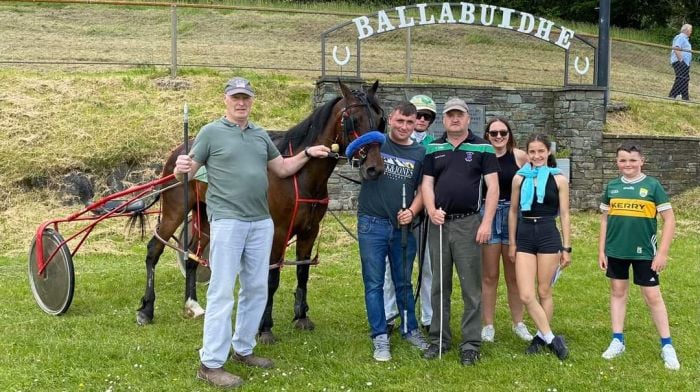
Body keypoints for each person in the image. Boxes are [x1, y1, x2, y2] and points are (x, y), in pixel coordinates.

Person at [174, 76, 330, 388]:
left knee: (256, 288)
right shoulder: (210, 132)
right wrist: (181, 167)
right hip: (228, 221)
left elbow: (283, 168)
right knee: (221, 292)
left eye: (246, 97)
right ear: (226, 100)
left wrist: (308, 153)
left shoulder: (260, 135)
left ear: (252, 100)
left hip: (261, 222)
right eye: (236, 97)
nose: (241, 102)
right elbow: (187, 172)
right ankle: (210, 363)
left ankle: (243, 349)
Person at [421, 97, 500, 366]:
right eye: (450, 115)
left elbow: (493, 188)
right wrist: (431, 210)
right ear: (444, 120)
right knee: (439, 287)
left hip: (469, 224)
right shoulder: (433, 148)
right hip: (439, 224)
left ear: (467, 119)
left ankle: (470, 344)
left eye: (460, 115)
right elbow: (427, 185)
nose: (455, 119)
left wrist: (486, 222)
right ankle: (439, 340)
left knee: (471, 288)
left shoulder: (483, 148)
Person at [598, 142, 680, 370]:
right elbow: (604, 219)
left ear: (642, 161)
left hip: (645, 252)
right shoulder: (612, 186)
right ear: (617, 162)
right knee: (617, 292)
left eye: (633, 160)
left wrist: (662, 252)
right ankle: (617, 339)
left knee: (653, 296)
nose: (628, 164)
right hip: (615, 250)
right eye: (623, 160)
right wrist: (601, 249)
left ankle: (667, 345)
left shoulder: (653, 186)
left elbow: (670, 219)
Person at [357, 101, 429, 362]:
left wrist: (412, 210)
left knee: (403, 282)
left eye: (410, 123)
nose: (404, 127)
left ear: (415, 124)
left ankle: (410, 329)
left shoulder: (421, 152)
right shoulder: (375, 144)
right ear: (391, 119)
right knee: (374, 283)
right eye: (400, 121)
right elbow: (351, 153)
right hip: (372, 224)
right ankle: (379, 336)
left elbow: (423, 190)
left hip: (403, 227)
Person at [508, 133, 571, 360]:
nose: (536, 155)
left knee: (544, 290)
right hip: (524, 235)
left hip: (547, 234)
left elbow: (564, 214)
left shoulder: (559, 179)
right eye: (532, 151)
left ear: (548, 152)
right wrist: (512, 242)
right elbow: (513, 211)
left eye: (540, 151)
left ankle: (539, 336)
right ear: (528, 153)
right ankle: (552, 338)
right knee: (526, 294)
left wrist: (566, 247)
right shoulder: (519, 178)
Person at [383, 94, 437, 334]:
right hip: (395, 212)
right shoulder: (392, 141)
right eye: (419, 115)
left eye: (427, 116)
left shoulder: (434, 144)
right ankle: (389, 314)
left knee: (427, 267)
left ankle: (428, 316)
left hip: (423, 214)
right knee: (390, 268)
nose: (422, 120)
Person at [479, 117, 532, 343]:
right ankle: (488, 325)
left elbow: (539, 176)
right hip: (488, 215)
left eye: (503, 132)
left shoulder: (520, 156)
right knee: (490, 276)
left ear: (509, 134)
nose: (499, 137)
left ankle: (518, 323)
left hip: (513, 216)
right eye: (494, 133)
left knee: (514, 276)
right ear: (487, 136)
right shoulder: (482, 155)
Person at [668, 24, 693, 101]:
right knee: (681, 78)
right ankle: (672, 95)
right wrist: (681, 60)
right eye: (691, 30)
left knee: (685, 78)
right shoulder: (681, 37)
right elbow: (676, 48)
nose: (691, 32)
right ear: (687, 30)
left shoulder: (685, 39)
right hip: (680, 61)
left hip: (685, 63)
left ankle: (685, 97)